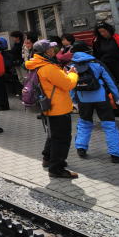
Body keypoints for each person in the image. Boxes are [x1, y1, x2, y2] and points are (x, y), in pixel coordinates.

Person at [26, 39, 79, 179]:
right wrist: (73, 74)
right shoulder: (48, 67)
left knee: (53, 135)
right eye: (50, 49)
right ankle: (57, 169)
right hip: (58, 107)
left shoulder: (37, 64)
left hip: (48, 105)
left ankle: (48, 158)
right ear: (45, 52)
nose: (53, 50)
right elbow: (67, 84)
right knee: (61, 138)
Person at [69, 41, 119, 163]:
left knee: (84, 122)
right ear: (86, 51)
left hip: (83, 98)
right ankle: (116, 154)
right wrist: (117, 98)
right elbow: (110, 82)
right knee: (109, 125)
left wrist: (74, 100)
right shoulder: (97, 63)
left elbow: (70, 85)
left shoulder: (71, 66)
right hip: (101, 97)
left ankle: (81, 147)